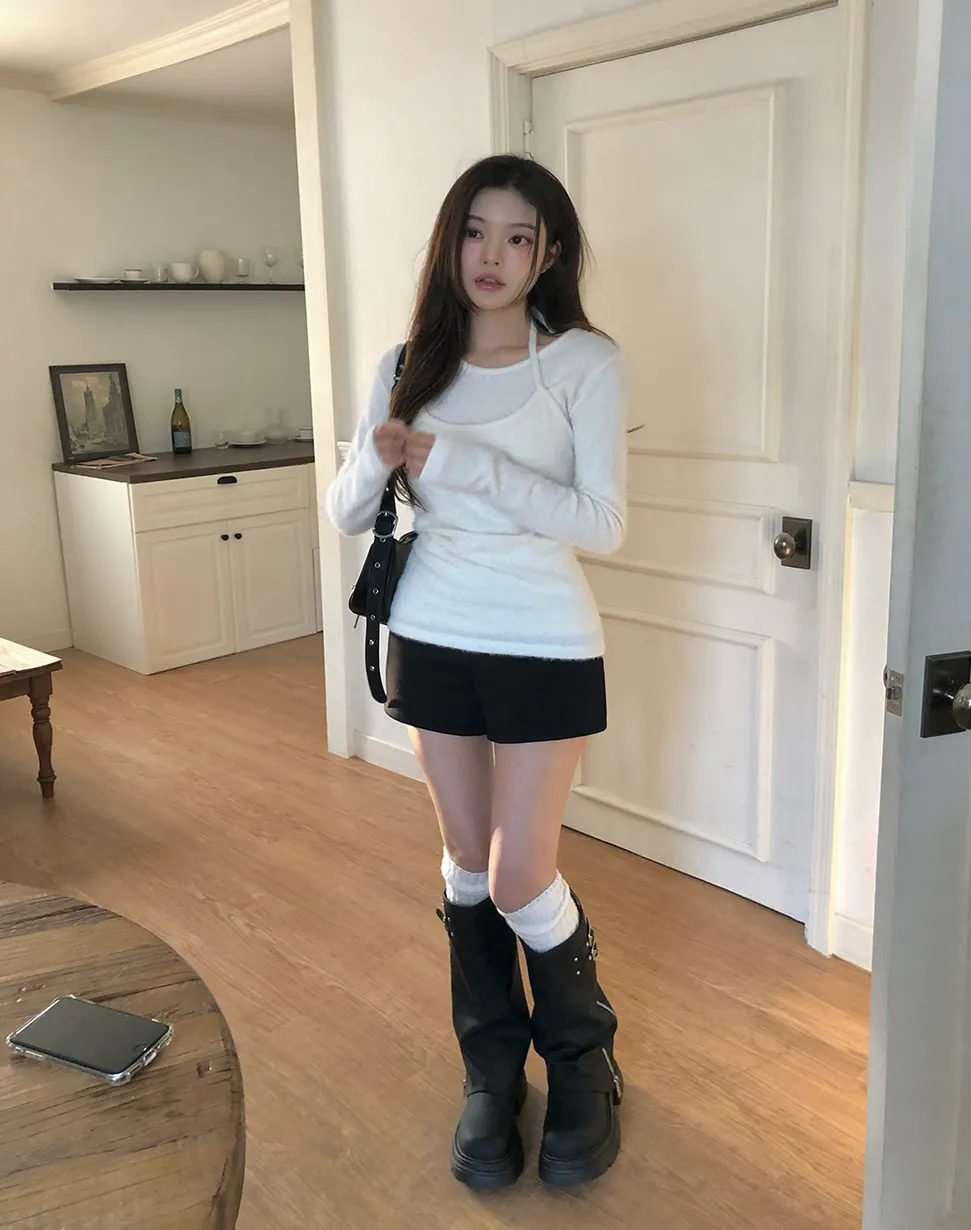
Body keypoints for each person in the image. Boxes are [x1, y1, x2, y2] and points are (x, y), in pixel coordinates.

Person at [327, 154, 626, 1190]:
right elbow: (347, 509)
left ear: (548, 254)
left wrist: (466, 465)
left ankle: (583, 1064)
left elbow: (604, 522)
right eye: (474, 231)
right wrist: (377, 454)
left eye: (517, 236)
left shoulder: (582, 362)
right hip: (432, 633)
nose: (492, 255)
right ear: (449, 240)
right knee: (464, 864)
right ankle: (491, 1074)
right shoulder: (406, 362)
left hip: (544, 636)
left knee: (516, 873)